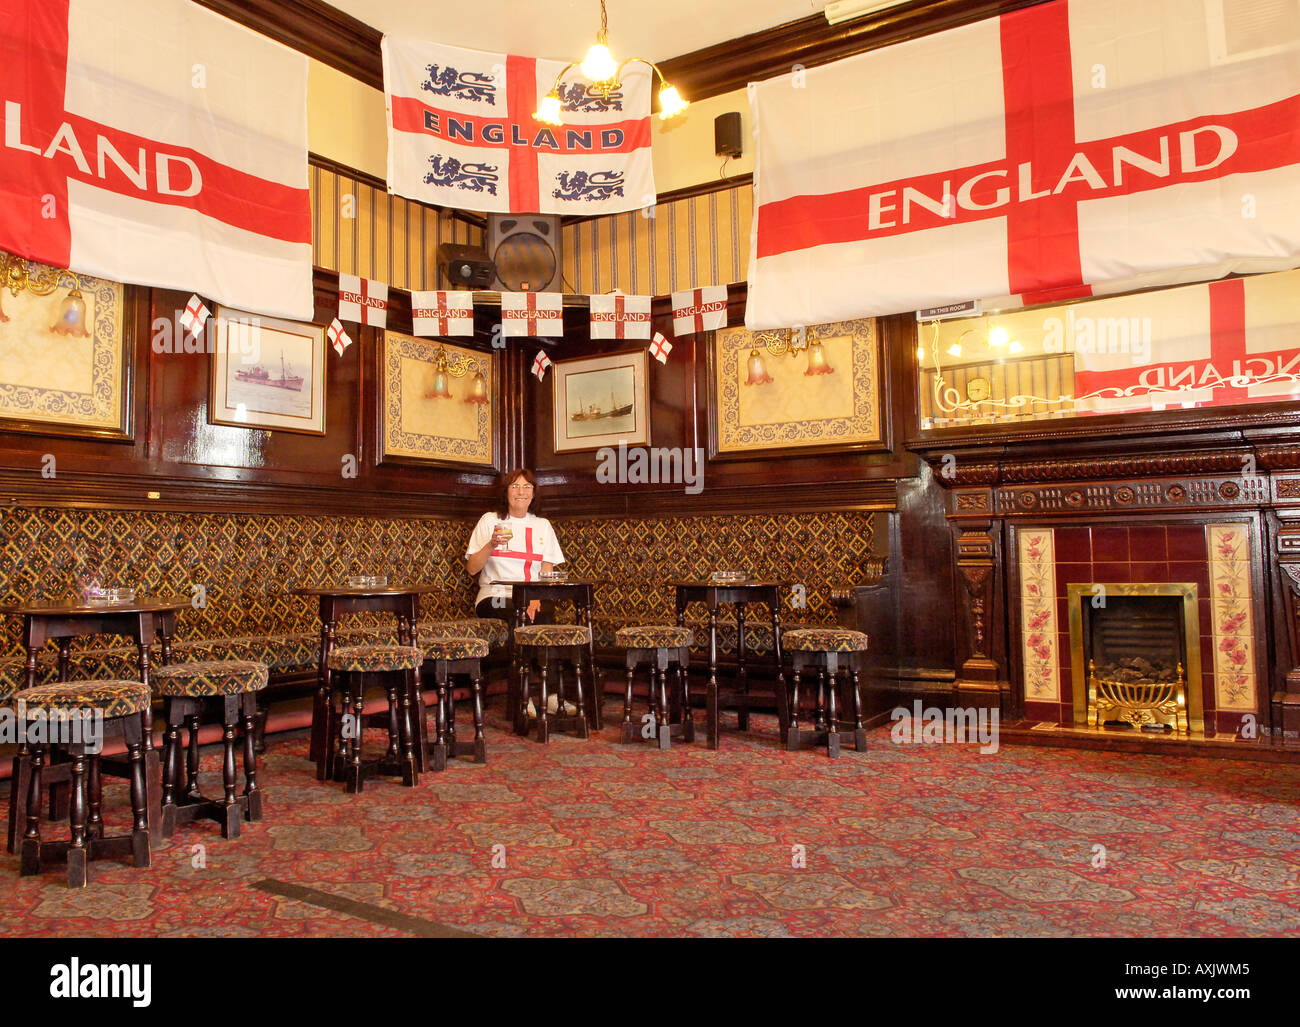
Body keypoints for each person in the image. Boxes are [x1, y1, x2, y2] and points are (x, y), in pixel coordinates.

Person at [465, 468, 564, 625]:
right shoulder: (489, 520)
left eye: (527, 487)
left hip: (531, 596)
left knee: (545, 613)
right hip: (496, 597)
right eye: (514, 486)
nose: (521, 492)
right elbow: (472, 569)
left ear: (533, 493)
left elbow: (547, 572)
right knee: (517, 612)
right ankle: (516, 651)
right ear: (506, 492)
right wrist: (491, 544)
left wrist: (536, 598)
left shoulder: (543, 525)